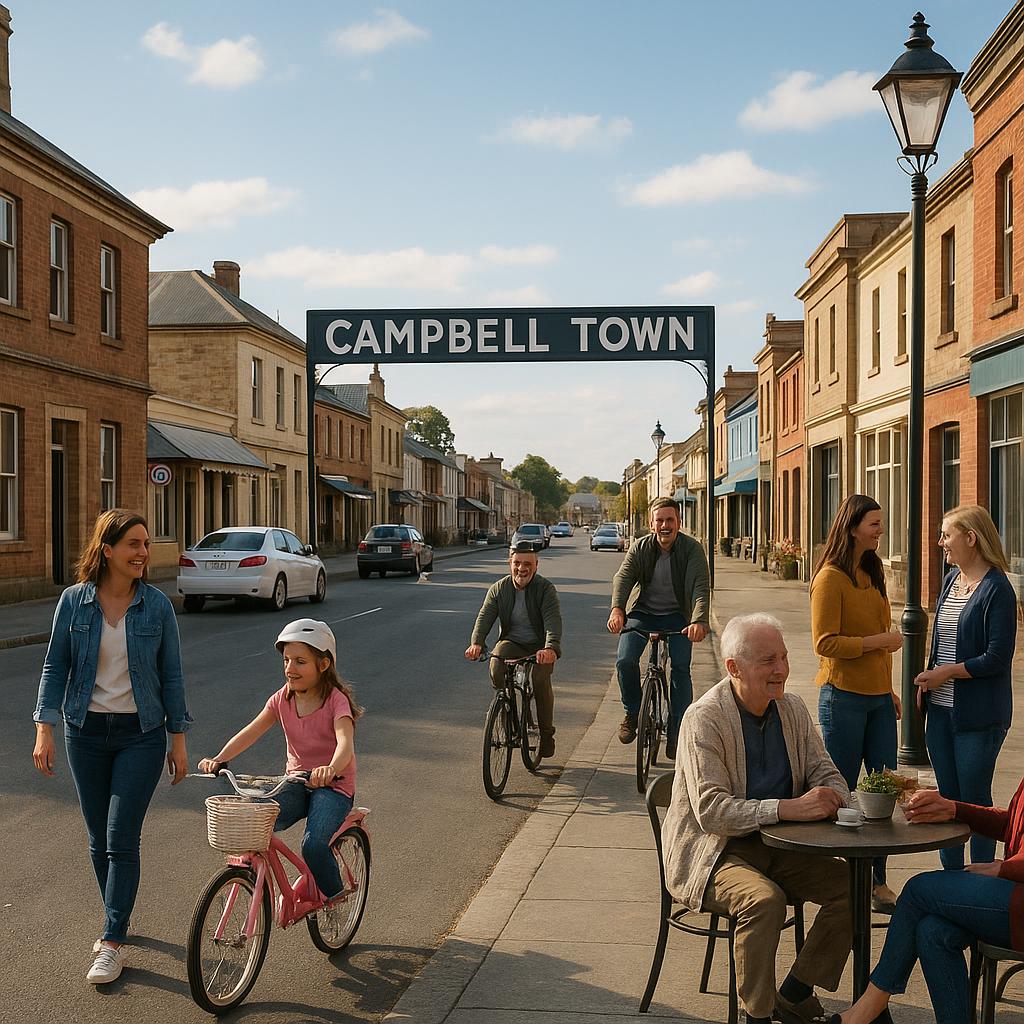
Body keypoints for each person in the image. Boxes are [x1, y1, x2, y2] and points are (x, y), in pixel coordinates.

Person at [661, 613, 852, 1024]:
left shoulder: (792, 708)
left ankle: (795, 991)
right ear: (734, 667)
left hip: (779, 847)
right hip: (713, 854)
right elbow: (712, 811)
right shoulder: (703, 718)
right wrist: (786, 808)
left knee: (855, 888)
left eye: (783, 657)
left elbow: (827, 771)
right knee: (765, 901)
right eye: (768, 661)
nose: (781, 669)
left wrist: (834, 794)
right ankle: (758, 1016)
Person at [32, 509, 191, 985]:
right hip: (84, 732)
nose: (144, 552)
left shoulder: (157, 606)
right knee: (98, 839)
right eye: (134, 545)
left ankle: (112, 938)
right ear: (107, 550)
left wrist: (177, 740)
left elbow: (172, 675)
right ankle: (118, 914)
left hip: (140, 734)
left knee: (121, 837)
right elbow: (54, 666)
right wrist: (44, 727)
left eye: (145, 544)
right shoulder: (73, 602)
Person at [831, 779, 1024, 1024]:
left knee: (917, 890)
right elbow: (1013, 824)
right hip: (1013, 893)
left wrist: (1004, 869)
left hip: (1018, 903)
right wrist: (955, 809)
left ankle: (870, 1007)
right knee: (932, 931)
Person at [199, 618, 360, 904]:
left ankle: (334, 894)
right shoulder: (281, 699)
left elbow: (345, 742)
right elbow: (252, 731)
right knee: (255, 821)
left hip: (333, 787)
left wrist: (331, 769)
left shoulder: (336, 701)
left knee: (312, 845)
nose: (290, 668)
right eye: (286, 660)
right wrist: (219, 759)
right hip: (296, 782)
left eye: (300, 661)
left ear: (323, 665)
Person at [810, 494, 903, 914]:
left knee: (882, 791)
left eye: (881, 523)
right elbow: (824, 643)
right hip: (843, 698)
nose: (880, 530)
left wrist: (888, 690)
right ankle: (840, 880)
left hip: (878, 700)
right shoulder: (830, 578)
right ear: (851, 528)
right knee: (842, 793)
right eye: (874, 524)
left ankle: (877, 880)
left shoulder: (873, 570)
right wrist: (877, 643)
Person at [913, 504, 1018, 870]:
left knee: (974, 801)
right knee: (947, 800)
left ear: (971, 538)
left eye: (947, 535)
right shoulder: (950, 581)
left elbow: (996, 659)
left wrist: (946, 674)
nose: (941, 542)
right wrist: (930, 679)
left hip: (978, 717)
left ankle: (980, 883)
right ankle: (951, 880)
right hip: (940, 712)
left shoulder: (997, 589)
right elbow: (941, 641)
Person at [607, 496, 709, 759]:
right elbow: (624, 577)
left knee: (681, 669)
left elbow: (700, 586)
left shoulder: (692, 549)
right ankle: (632, 712)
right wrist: (618, 608)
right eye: (660, 520)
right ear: (652, 524)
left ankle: (677, 732)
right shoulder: (640, 547)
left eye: (670, 520)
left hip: (678, 617)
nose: (665, 525)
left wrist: (698, 620)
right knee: (625, 660)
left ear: (679, 523)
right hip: (643, 613)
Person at [464, 541, 562, 758]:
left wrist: (550, 647)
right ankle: (509, 712)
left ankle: (546, 734)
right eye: (517, 563)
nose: (522, 568)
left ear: (536, 565)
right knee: (496, 667)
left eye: (528, 563)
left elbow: (552, 621)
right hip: (512, 642)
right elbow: (485, 617)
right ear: (510, 563)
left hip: (540, 647)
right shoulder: (499, 589)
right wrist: (477, 643)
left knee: (539, 680)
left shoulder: (545, 589)